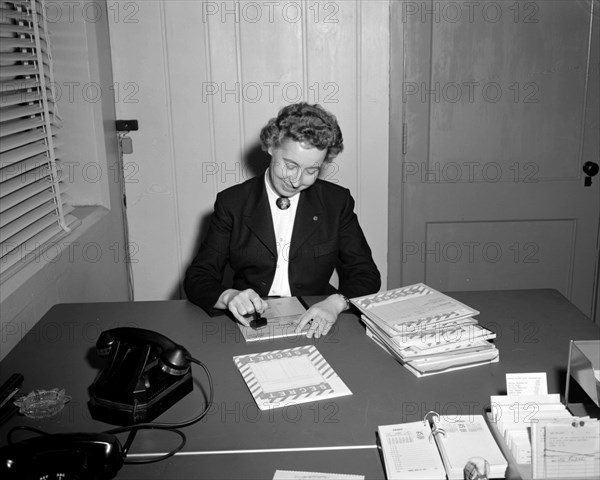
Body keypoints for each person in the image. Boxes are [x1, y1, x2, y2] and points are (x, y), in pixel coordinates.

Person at [184, 102, 380, 337]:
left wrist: (336, 303)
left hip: (317, 316)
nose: (297, 180)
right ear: (270, 146)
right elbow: (198, 277)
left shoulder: (337, 202)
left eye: (311, 171)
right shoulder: (233, 203)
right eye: (290, 165)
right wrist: (229, 297)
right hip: (248, 320)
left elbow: (366, 273)